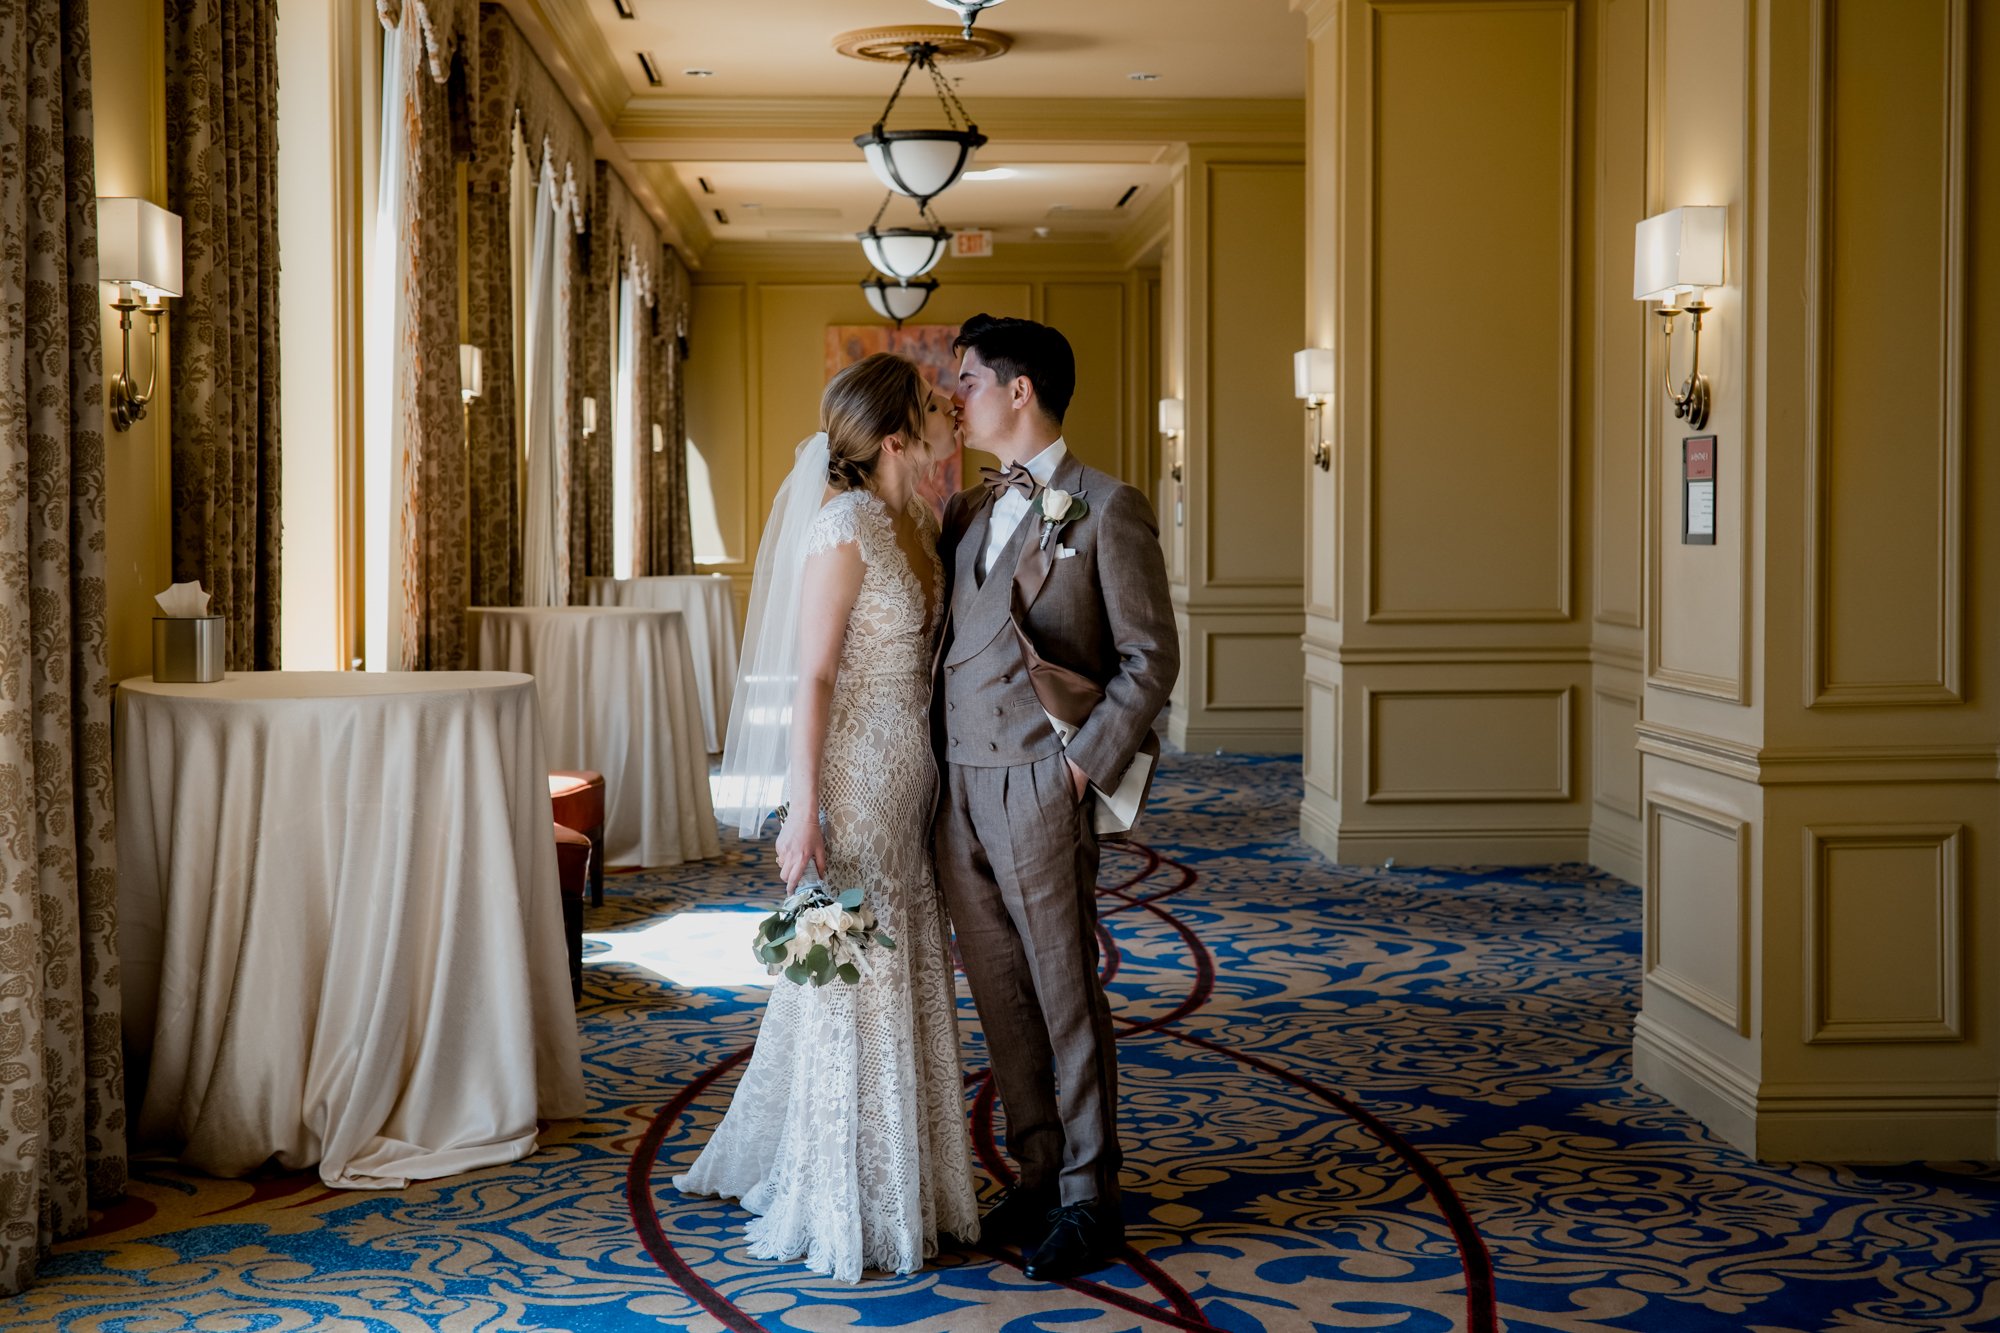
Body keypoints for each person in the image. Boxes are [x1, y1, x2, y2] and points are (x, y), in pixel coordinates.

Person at [675, 352, 978, 1283]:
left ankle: (911, 1173)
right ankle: (852, 1189)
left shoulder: (914, 519)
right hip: (854, 777)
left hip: (912, 774)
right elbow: (808, 675)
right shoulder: (843, 525)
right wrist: (801, 810)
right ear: (895, 436)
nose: (949, 413)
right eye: (933, 405)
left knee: (901, 954)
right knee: (858, 967)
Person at [933, 314, 1179, 1280]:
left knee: (1064, 992)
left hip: (1042, 781)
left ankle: (1089, 1194)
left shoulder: (1105, 506)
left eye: (969, 381)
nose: (959, 397)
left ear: (1019, 388)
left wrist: (1076, 771)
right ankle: (1036, 1171)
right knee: (999, 994)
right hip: (957, 792)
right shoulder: (965, 512)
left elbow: (1150, 658)